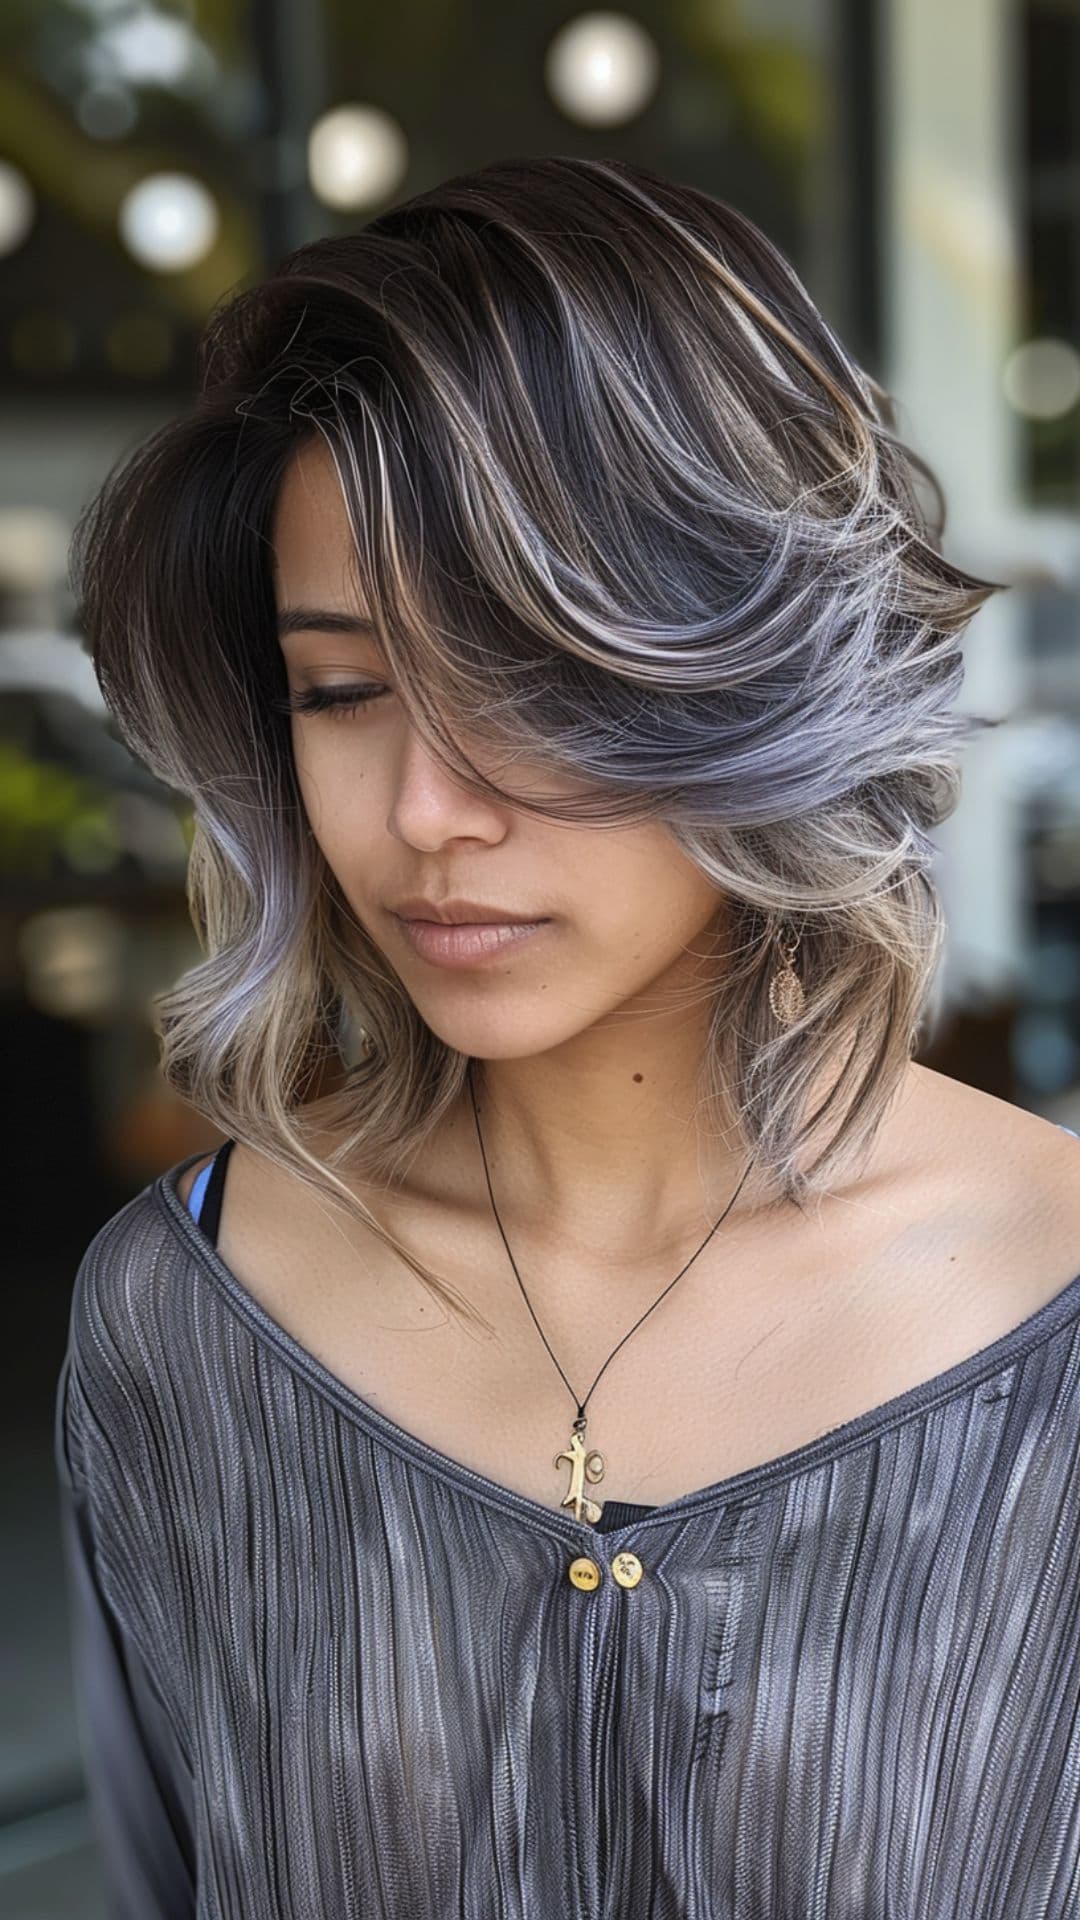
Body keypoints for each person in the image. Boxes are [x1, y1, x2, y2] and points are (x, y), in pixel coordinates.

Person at [55, 154, 1080, 1918]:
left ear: (744, 668)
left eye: (528, 676)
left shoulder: (1048, 1312)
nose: (428, 809)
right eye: (345, 688)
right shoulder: (188, 1317)